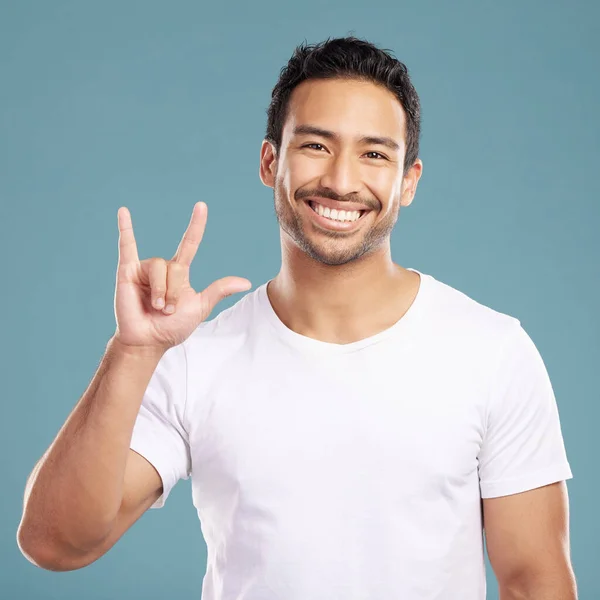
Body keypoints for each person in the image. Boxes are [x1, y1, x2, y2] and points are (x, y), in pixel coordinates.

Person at [17, 37, 577, 599]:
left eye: (375, 154)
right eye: (315, 145)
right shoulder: (194, 361)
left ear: (409, 180)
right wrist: (132, 353)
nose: (340, 179)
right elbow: (56, 544)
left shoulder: (492, 351)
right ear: (270, 162)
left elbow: (535, 582)